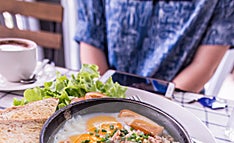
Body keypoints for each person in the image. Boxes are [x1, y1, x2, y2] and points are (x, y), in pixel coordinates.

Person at [75, 0, 234, 93]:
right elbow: (91, 41)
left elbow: (204, 66)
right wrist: (103, 94)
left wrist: (159, 106)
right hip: (108, 91)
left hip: (177, 97)